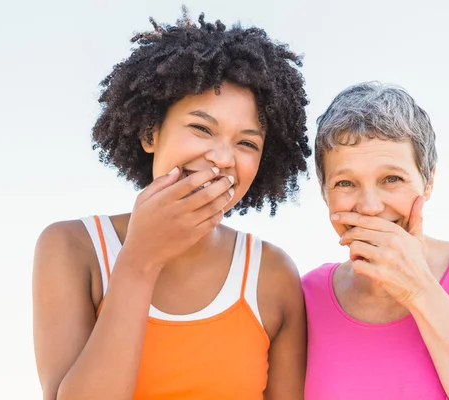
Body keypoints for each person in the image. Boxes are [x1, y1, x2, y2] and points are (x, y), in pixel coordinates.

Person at [32, 8, 310, 400]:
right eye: (201, 128)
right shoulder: (72, 247)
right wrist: (141, 259)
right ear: (150, 133)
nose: (223, 157)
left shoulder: (274, 274)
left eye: (247, 143)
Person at [302, 82, 449, 399]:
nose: (370, 206)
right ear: (324, 194)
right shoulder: (305, 296)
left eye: (392, 179)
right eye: (346, 183)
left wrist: (418, 289)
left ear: (427, 182)